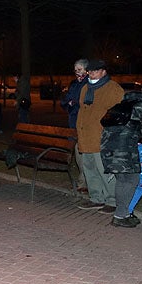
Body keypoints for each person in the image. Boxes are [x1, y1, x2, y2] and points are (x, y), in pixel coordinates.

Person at [99, 88, 142, 227]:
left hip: (107, 147)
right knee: (131, 180)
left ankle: (123, 213)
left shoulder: (123, 105)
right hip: (125, 148)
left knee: (122, 180)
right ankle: (121, 216)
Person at [75, 58, 125, 214]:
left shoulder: (113, 89)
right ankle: (96, 198)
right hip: (86, 136)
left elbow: (119, 115)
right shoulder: (85, 88)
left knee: (105, 170)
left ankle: (112, 200)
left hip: (102, 137)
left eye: (96, 71)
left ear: (104, 71)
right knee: (89, 169)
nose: (92, 74)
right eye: (90, 71)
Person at [61, 59, 89, 190]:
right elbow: (66, 100)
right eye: (75, 70)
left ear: (86, 70)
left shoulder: (88, 83)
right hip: (73, 122)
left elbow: (84, 102)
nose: (77, 72)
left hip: (84, 123)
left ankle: (84, 182)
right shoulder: (73, 84)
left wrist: (74, 103)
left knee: (83, 155)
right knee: (78, 154)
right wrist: (69, 103)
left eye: (80, 69)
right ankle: (83, 182)